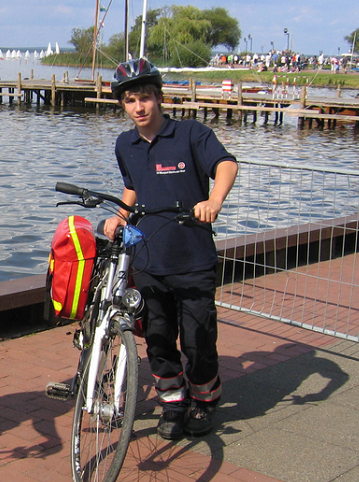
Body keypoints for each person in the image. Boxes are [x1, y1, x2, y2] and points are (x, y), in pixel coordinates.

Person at [103, 59, 238, 440]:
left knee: (197, 339)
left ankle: (204, 400)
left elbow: (227, 164)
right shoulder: (125, 144)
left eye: (145, 97)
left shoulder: (191, 134)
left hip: (192, 259)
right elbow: (134, 186)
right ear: (123, 106)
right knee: (159, 339)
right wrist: (120, 216)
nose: (139, 107)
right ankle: (173, 403)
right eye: (130, 100)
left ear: (159, 98)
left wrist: (214, 200)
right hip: (149, 260)